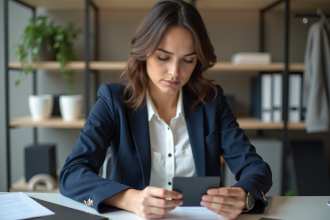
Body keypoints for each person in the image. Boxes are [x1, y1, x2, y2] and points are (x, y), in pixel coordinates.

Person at [59, 0, 272, 219]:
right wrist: (130, 199)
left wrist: (243, 195)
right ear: (144, 52)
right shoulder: (113, 100)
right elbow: (72, 173)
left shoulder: (212, 101)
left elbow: (255, 167)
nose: (174, 72)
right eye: (163, 57)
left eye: (187, 60)